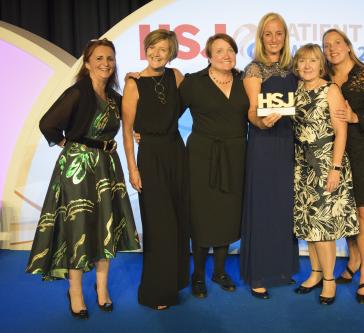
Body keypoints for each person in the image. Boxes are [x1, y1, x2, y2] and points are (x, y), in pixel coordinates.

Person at [26, 38, 141, 319]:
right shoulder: (77, 92)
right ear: (87, 62)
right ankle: (75, 291)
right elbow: (47, 123)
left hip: (107, 168)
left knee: (105, 225)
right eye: (99, 58)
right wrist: (70, 145)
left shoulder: (115, 97)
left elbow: (131, 123)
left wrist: (137, 85)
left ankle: (102, 290)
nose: (105, 63)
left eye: (110, 59)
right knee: (77, 228)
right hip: (78, 168)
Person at [122, 29, 189, 310]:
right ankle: (155, 292)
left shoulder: (176, 77)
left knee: (178, 220)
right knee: (159, 224)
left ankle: (174, 283)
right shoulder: (134, 83)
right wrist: (133, 168)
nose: (157, 53)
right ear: (146, 49)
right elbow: (127, 131)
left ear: (171, 53)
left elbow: (192, 102)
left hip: (177, 152)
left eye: (163, 49)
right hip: (150, 157)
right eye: (153, 48)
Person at [322, 29, 364, 303]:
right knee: (347, 211)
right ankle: (352, 261)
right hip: (337, 152)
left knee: (363, 211)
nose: (332, 49)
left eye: (337, 43)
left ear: (348, 46)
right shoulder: (325, 78)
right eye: (327, 45)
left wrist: (355, 116)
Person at [179, 33, 249, 298]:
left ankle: (219, 271)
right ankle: (198, 274)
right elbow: (167, 113)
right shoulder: (193, 82)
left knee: (227, 213)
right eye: (219, 51)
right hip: (201, 157)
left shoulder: (245, 81)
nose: (226, 55)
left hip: (236, 155)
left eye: (230, 50)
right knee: (202, 215)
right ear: (208, 55)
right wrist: (144, 131)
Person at [291, 44, 358, 305]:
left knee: (323, 227)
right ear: (296, 65)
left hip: (326, 163)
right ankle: (316, 273)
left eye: (312, 61)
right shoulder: (296, 89)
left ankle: (329, 281)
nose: (307, 66)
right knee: (309, 224)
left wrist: (336, 168)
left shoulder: (331, 90)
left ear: (321, 65)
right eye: (302, 61)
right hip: (301, 164)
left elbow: (342, 132)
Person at [239, 12, 299, 299]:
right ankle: (259, 273)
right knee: (263, 206)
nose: (274, 39)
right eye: (268, 34)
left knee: (284, 206)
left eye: (279, 33)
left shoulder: (295, 69)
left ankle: (282, 268)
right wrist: (261, 123)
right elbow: (252, 111)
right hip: (264, 142)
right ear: (261, 38)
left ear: (285, 37)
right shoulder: (254, 70)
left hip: (289, 143)